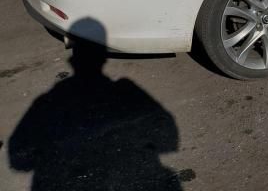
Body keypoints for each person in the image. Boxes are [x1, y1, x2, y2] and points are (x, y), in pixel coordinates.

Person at [9, 19, 182, 191]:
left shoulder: (47, 102)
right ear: (103, 58)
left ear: (73, 60)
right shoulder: (124, 90)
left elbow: (18, 160)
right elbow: (169, 137)